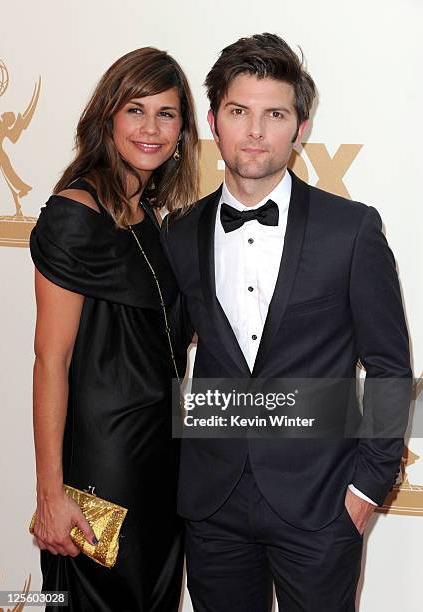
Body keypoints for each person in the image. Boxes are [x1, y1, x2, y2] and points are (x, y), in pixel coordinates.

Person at [161, 33, 411, 611]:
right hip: (212, 507)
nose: (255, 131)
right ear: (215, 125)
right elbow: (161, 362)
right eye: (238, 112)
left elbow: (391, 367)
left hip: (321, 504)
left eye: (274, 114)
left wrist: (366, 488)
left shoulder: (350, 231)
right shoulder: (179, 235)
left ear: (299, 129)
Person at [30, 47, 198, 611]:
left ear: (183, 129)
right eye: (136, 110)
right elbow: (50, 360)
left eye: (167, 114)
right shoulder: (74, 214)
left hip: (163, 464)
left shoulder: (154, 218)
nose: (151, 128)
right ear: (108, 117)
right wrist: (51, 494)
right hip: (102, 467)